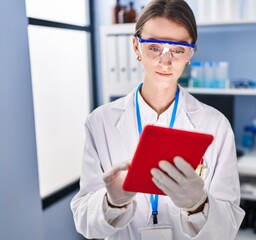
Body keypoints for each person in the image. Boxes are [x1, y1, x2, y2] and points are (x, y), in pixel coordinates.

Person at [71, 0, 245, 239]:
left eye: (178, 49)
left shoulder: (216, 125)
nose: (166, 61)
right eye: (154, 47)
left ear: (191, 53)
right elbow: (84, 222)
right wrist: (111, 203)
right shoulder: (100, 122)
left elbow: (227, 230)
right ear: (136, 46)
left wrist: (198, 204)